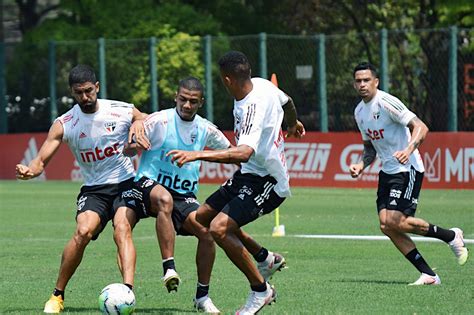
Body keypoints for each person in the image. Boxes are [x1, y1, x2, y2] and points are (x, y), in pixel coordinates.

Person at [125, 76, 287, 313]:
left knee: (209, 230)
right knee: (164, 200)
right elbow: (129, 144)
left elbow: (232, 153)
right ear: (175, 97)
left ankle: (204, 296)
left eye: (193, 101)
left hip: (184, 196)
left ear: (201, 102)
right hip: (147, 187)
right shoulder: (159, 120)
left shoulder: (205, 128)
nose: (187, 105)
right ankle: (169, 268)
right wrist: (134, 134)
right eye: (183, 99)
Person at [167, 51, 305, 314]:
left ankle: (260, 290)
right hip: (248, 175)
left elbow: (243, 152)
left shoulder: (253, 106)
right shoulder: (263, 84)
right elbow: (288, 102)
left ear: (228, 79)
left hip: (268, 181)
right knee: (202, 218)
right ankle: (265, 258)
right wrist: (293, 123)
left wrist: (198, 154)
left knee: (220, 229)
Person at [15, 64, 151, 314]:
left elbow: (143, 118)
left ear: (97, 87)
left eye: (89, 91)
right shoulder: (65, 123)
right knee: (83, 232)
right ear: (72, 92)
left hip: (125, 183)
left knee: (122, 229)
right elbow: (40, 161)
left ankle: (127, 292)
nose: (85, 97)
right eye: (79, 93)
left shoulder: (120, 110)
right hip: (94, 189)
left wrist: (137, 126)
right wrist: (30, 171)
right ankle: (57, 295)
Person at [349, 62, 469, 285]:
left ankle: (451, 236)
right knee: (386, 225)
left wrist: (408, 149)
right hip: (387, 171)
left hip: (408, 168)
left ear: (376, 81)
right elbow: (369, 148)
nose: (362, 84)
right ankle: (429, 275)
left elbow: (421, 127)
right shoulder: (359, 112)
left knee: (396, 220)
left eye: (367, 80)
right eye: (358, 81)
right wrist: (361, 165)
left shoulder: (386, 103)